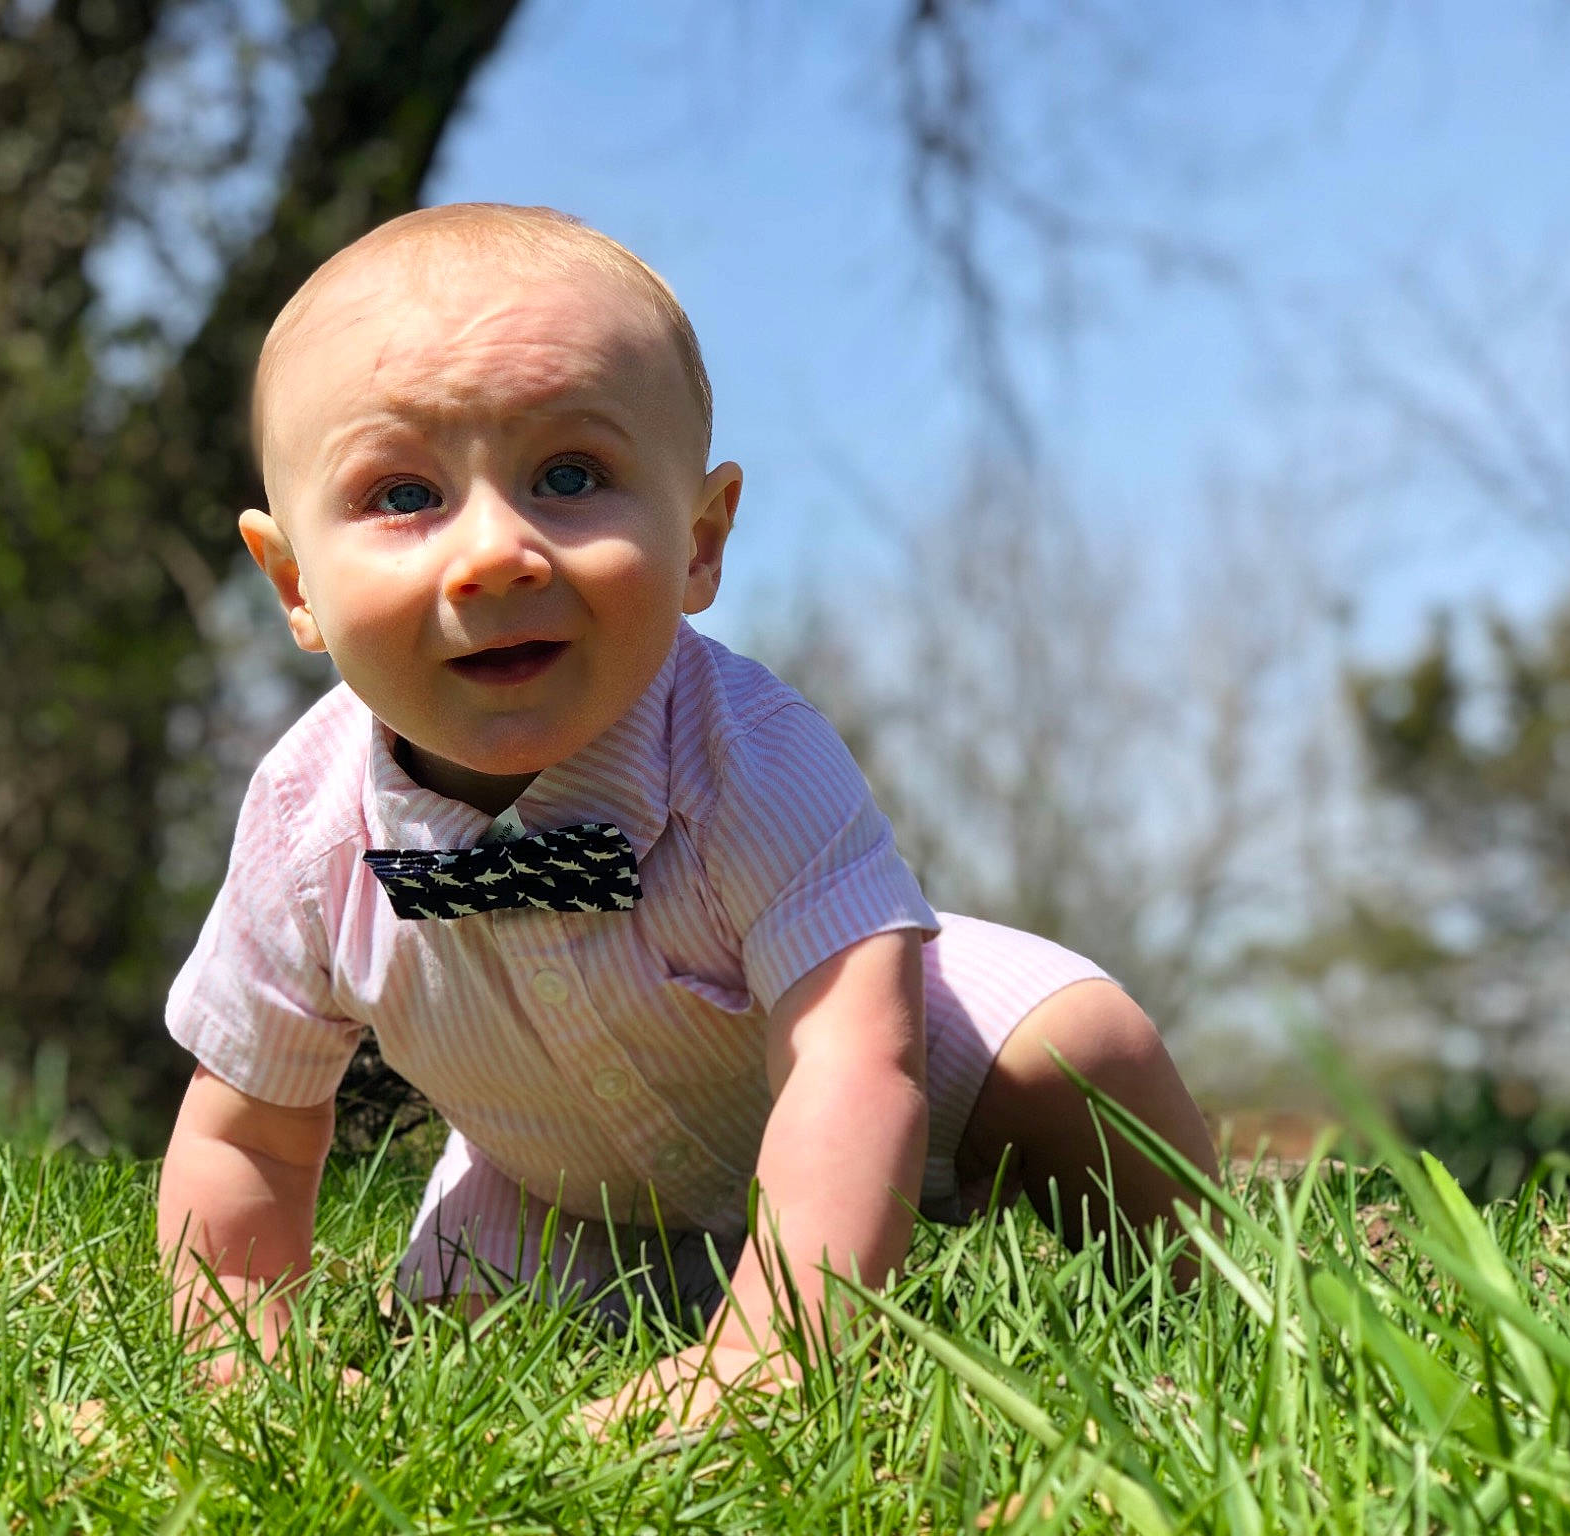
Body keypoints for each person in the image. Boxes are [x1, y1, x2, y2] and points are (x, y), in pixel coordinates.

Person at [155, 202, 1219, 1431]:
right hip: (556, 1172)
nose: (495, 554)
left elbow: (854, 1064)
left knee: (1082, 1054)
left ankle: (1205, 1296)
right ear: (294, 585)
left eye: (570, 477)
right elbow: (249, 1132)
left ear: (700, 539)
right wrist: (238, 1346)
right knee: (463, 1342)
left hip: (902, 1057)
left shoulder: (750, 754)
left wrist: (776, 1347)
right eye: (403, 493)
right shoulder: (307, 821)